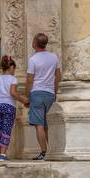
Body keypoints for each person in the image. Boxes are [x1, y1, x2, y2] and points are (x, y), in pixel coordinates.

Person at [24, 32, 60, 161]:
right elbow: (58, 76)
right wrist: (55, 92)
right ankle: (50, 150)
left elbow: (29, 80)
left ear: (35, 43)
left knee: (38, 124)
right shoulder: (54, 57)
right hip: (50, 93)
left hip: (37, 92)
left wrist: (27, 96)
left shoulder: (33, 60)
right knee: (46, 124)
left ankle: (44, 152)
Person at [0, 55, 18, 162]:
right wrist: (23, 99)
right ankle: (3, 154)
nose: (14, 71)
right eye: (14, 68)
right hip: (9, 106)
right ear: (11, 68)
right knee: (6, 129)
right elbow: (13, 93)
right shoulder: (13, 79)